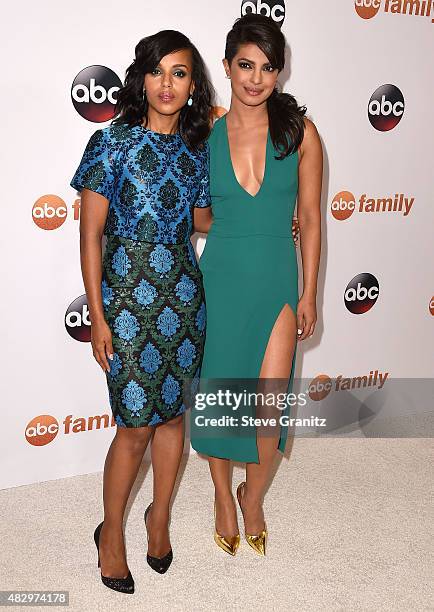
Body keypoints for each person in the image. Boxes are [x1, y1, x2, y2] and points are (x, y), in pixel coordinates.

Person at [70, 30, 214, 592]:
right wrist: (100, 316)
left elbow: (201, 221)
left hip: (182, 296)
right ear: (141, 79)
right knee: (133, 427)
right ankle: (112, 533)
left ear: (192, 85)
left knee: (174, 418)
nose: (167, 84)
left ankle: (159, 516)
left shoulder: (196, 152)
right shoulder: (111, 144)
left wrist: (270, 226)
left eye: (180, 73)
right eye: (157, 71)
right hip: (127, 296)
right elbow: (90, 233)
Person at [191, 14, 322, 556]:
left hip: (276, 283)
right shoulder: (204, 136)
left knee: (268, 412)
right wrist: (228, 223)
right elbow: (195, 215)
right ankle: (224, 494)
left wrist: (310, 292)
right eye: (246, 65)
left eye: (268, 68)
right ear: (226, 67)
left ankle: (255, 493)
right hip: (220, 279)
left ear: (279, 74)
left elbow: (312, 218)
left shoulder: (301, 134)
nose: (256, 78)